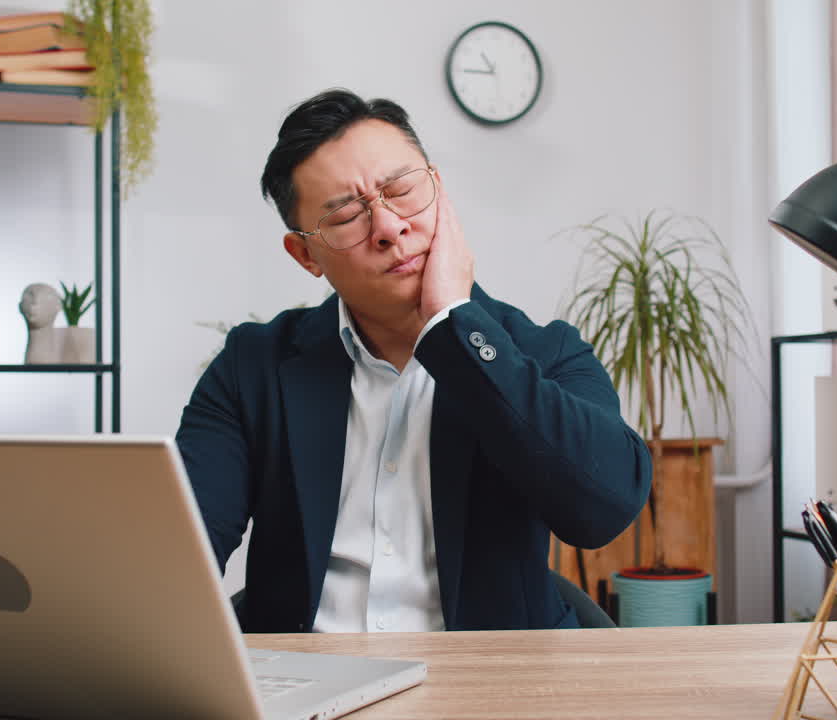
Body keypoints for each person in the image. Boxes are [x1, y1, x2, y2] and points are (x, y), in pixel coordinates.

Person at [176, 89, 651, 633]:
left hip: (490, 675)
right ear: (306, 255)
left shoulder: (541, 351)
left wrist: (453, 326)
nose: (388, 227)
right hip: (305, 673)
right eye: (346, 215)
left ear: (440, 193)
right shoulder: (253, 366)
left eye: (402, 191)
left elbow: (605, 509)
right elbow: (176, 556)